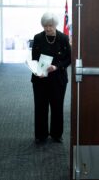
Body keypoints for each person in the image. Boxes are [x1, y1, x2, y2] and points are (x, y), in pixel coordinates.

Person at [31, 12, 71, 143]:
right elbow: (34, 58)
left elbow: (69, 58)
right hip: (40, 78)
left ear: (55, 25)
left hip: (58, 79)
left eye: (50, 25)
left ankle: (56, 134)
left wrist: (57, 67)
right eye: (45, 26)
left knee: (57, 106)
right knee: (40, 106)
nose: (48, 28)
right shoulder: (37, 38)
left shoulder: (64, 38)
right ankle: (41, 135)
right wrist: (37, 69)